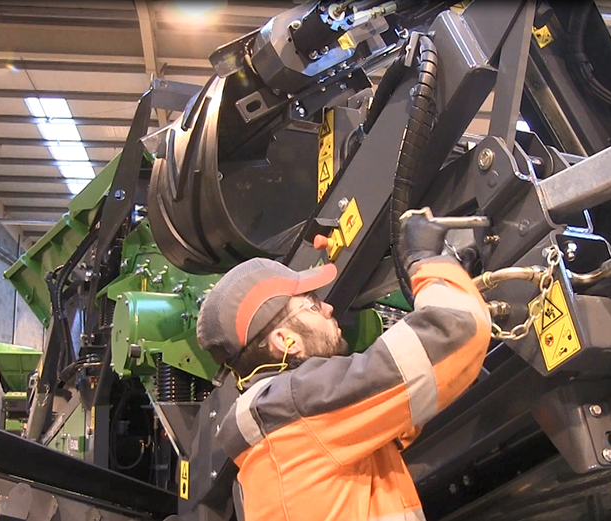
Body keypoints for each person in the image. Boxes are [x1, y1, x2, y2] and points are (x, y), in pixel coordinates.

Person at [196, 211, 492, 521]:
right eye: (311, 304)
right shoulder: (299, 402)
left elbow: (392, 417)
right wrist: (428, 263)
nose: (328, 308)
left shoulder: (273, 443)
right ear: (285, 341)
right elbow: (456, 329)